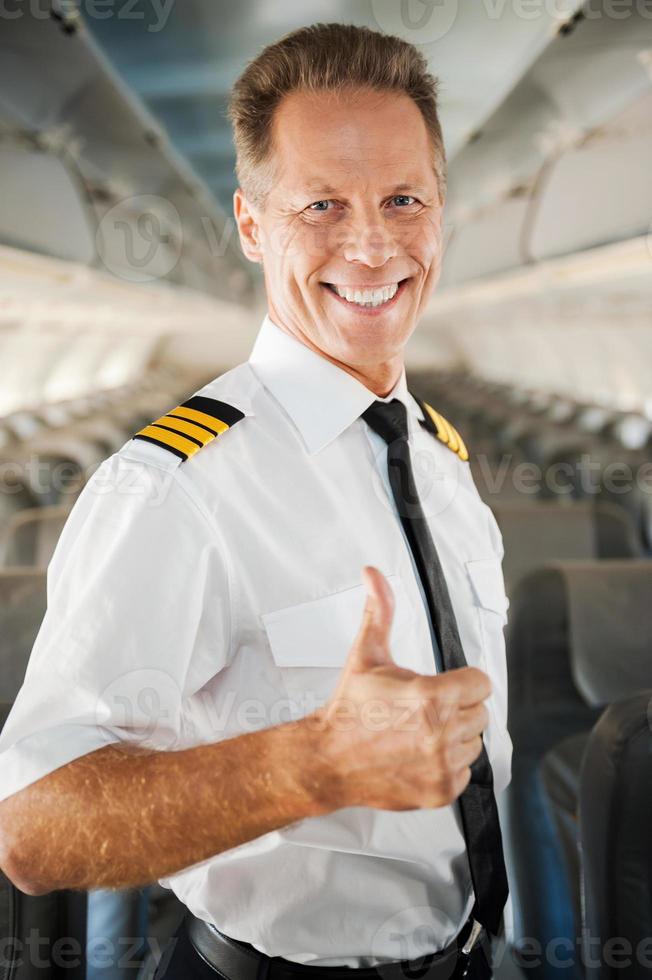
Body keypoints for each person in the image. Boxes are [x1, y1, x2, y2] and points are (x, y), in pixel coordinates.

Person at [0, 22, 512, 980]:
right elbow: (33, 829)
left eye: (403, 199)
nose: (371, 245)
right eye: (321, 205)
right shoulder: (173, 487)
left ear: (441, 211)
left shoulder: (439, 457)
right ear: (249, 224)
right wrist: (312, 763)